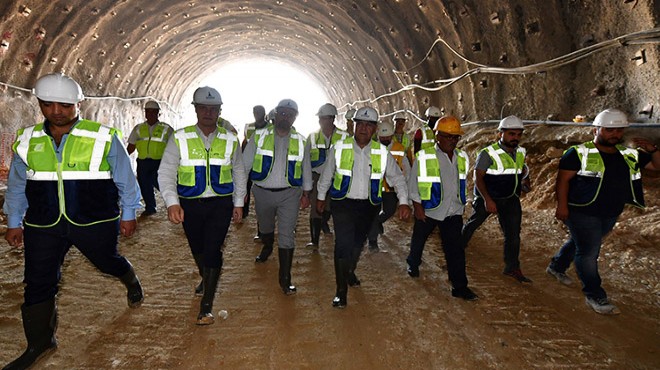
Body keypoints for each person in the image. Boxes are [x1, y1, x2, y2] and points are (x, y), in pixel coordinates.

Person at [2, 73, 144, 369]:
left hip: (94, 221)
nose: (57, 111)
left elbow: (125, 179)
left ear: (79, 103)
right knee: (37, 282)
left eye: (65, 105)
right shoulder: (27, 140)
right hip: (44, 225)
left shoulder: (102, 136)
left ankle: (128, 276)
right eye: (49, 104)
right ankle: (39, 343)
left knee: (106, 262)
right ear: (39, 104)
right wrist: (14, 220)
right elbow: (17, 184)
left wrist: (129, 213)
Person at [547, 108, 659, 315]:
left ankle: (556, 266)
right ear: (596, 130)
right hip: (581, 210)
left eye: (618, 131)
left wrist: (652, 150)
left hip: (610, 211)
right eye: (609, 130)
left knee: (582, 243)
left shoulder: (628, 154)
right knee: (589, 252)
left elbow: (656, 166)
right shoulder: (578, 152)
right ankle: (594, 294)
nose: (615, 134)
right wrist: (561, 206)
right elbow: (563, 181)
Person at [158, 86, 247, 325]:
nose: (208, 113)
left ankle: (206, 305)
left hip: (220, 204)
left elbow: (239, 170)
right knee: (197, 247)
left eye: (213, 109)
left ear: (220, 111)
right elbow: (166, 172)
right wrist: (171, 203)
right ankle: (206, 277)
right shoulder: (180, 137)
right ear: (195, 110)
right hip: (190, 204)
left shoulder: (230, 139)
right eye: (203, 108)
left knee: (213, 249)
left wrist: (239, 202)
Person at [317, 107, 411, 308]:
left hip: (368, 207)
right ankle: (340, 292)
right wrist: (320, 196)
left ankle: (349, 271)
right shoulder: (340, 148)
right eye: (360, 124)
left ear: (375, 129)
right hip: (343, 203)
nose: (364, 129)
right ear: (354, 126)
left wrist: (403, 201)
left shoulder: (381, 152)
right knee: (342, 245)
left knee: (357, 244)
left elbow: (398, 179)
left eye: (369, 125)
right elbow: (327, 175)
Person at [243, 99, 312, 295]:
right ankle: (267, 245)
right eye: (283, 113)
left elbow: (306, 167)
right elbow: (245, 166)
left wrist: (306, 192)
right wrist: (242, 193)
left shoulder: (301, 140)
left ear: (295, 118)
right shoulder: (259, 136)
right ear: (276, 114)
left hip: (289, 193)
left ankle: (285, 279)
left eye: (290, 114)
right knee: (265, 227)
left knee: (287, 234)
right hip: (262, 192)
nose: (286, 117)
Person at [405, 115, 477, 301]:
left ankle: (460, 286)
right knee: (419, 239)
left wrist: (463, 203)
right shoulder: (424, 157)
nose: (452, 141)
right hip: (430, 208)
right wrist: (417, 206)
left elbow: (461, 181)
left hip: (453, 211)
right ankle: (413, 262)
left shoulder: (462, 157)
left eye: (455, 137)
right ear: (438, 136)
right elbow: (414, 184)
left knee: (455, 250)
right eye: (448, 136)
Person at [461, 115, 532, 283]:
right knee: (472, 226)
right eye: (511, 134)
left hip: (510, 199)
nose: (515, 138)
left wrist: (525, 181)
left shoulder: (521, 151)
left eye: (518, 134)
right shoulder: (488, 153)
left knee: (513, 235)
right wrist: (487, 200)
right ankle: (455, 256)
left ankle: (512, 267)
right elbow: (478, 178)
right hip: (489, 198)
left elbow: (522, 169)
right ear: (500, 133)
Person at [305, 103, 349, 250]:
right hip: (317, 177)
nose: (322, 121)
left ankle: (325, 221)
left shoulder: (344, 137)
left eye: (325, 118)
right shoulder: (312, 137)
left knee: (332, 207)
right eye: (320, 119)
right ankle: (315, 241)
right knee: (315, 208)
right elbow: (305, 161)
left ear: (332, 119)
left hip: (338, 178)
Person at [367, 120, 411, 252]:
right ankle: (372, 241)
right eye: (382, 137)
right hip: (374, 188)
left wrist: (405, 190)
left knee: (390, 210)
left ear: (392, 135)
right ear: (378, 136)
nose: (385, 139)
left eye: (387, 136)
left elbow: (406, 169)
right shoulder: (372, 148)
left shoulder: (399, 148)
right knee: (373, 214)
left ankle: (378, 222)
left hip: (390, 189)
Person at [127, 100, 174, 216]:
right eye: (148, 111)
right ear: (145, 113)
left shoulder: (167, 129)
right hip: (143, 162)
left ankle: (173, 203)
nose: (151, 114)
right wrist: (122, 158)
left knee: (161, 184)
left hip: (159, 162)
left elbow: (174, 147)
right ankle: (150, 207)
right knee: (144, 185)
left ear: (159, 113)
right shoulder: (138, 128)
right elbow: (131, 146)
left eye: (154, 112)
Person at [241, 105, 270, 219]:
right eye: (255, 112)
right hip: (250, 160)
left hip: (263, 163)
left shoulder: (270, 128)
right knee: (246, 186)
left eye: (259, 112)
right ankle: (244, 210)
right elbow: (244, 142)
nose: (257, 114)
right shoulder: (249, 127)